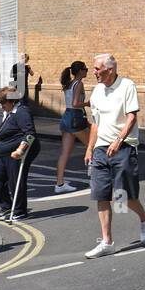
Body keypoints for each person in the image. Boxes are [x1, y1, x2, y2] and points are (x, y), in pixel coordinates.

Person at [84, 54, 145, 258]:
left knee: (123, 196)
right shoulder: (96, 91)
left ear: (110, 69)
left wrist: (118, 141)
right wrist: (90, 148)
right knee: (101, 194)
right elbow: (95, 123)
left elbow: (132, 116)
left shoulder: (127, 86)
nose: (94, 72)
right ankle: (107, 242)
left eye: (97, 69)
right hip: (100, 149)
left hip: (123, 148)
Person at [0, 86, 39, 221]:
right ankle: (7, 206)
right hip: (4, 152)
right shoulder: (10, 112)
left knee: (16, 181)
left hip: (16, 152)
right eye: (0, 102)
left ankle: (20, 211)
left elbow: (30, 133)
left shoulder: (22, 112)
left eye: (3, 102)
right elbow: (10, 130)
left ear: (12, 101)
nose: (1, 105)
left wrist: (20, 150)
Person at [53, 61, 91, 193]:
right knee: (93, 146)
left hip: (67, 117)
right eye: (85, 69)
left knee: (65, 153)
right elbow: (75, 103)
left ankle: (59, 184)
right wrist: (88, 103)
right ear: (80, 71)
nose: (87, 71)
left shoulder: (69, 83)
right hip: (75, 116)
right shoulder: (79, 83)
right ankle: (97, 176)